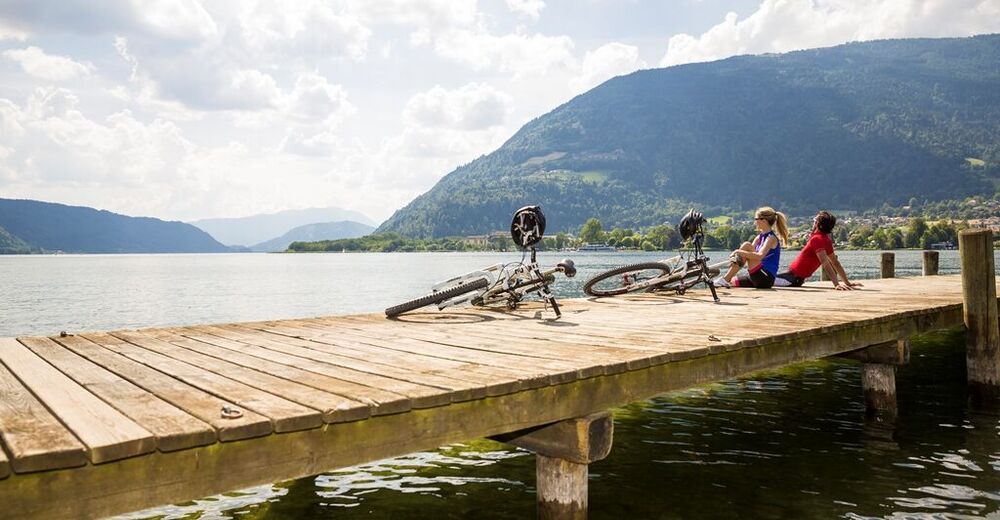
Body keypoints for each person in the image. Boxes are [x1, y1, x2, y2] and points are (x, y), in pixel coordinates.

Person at [774, 211, 863, 290]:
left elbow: (825, 262)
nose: (813, 223)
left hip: (791, 279)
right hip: (793, 279)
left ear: (817, 224)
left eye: (814, 220)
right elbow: (835, 263)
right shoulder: (826, 240)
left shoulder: (817, 239)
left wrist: (836, 284)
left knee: (762, 279)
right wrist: (847, 282)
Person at [714, 207, 788, 289]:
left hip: (765, 278)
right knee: (732, 282)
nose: (755, 222)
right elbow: (747, 255)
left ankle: (725, 279)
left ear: (764, 221)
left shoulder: (771, 238)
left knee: (747, 245)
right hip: (755, 276)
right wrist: (738, 257)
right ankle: (725, 280)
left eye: (756, 219)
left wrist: (738, 251)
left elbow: (760, 256)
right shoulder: (759, 237)